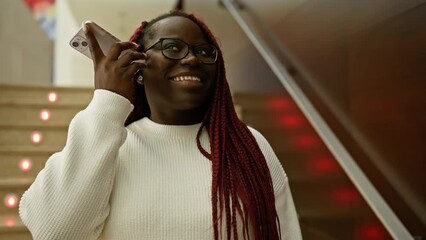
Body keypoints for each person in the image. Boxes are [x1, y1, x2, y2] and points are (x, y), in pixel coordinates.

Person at [19, 10, 302, 240]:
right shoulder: (107, 145)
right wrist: (108, 102)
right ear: (139, 66)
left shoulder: (248, 146)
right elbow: (56, 234)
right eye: (172, 47)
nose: (192, 58)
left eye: (204, 52)